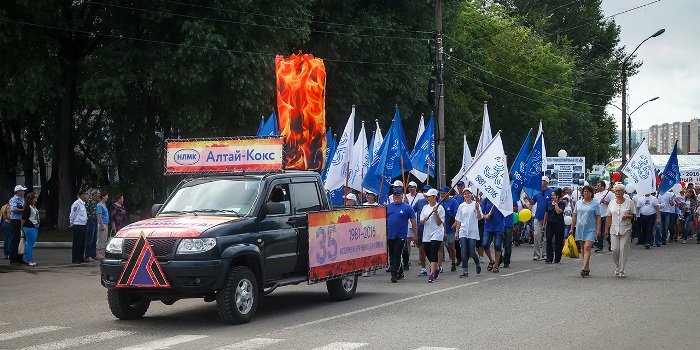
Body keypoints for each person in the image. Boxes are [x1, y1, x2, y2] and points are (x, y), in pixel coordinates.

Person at [605, 183, 636, 277]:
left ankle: (622, 270)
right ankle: (617, 266)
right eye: (616, 191)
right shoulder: (611, 202)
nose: (617, 192)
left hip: (626, 228)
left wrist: (628, 216)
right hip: (614, 229)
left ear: (623, 192)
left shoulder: (629, 202)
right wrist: (606, 229)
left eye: (619, 191)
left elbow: (634, 216)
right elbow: (608, 216)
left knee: (623, 249)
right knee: (614, 249)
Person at [386, 188, 417, 283]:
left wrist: (415, 235)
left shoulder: (407, 207)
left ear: (402, 196)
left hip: (401, 235)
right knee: (391, 254)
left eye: (398, 195)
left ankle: (394, 274)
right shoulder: (388, 207)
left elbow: (413, 221)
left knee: (397, 254)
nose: (397, 197)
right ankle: (400, 272)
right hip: (390, 235)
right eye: (395, 195)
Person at [571, 185, 601, 277]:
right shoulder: (578, 203)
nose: (586, 193)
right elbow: (574, 215)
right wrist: (572, 228)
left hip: (591, 228)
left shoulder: (595, 204)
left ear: (592, 193)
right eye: (584, 191)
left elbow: (598, 217)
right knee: (583, 248)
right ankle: (587, 267)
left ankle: (583, 268)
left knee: (588, 247)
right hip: (580, 228)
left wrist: (598, 229)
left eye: (588, 191)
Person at [419, 188, 445, 283]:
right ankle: (436, 267)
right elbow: (421, 221)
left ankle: (432, 274)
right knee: (427, 252)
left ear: (435, 197)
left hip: (437, 233)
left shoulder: (440, 208)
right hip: (427, 233)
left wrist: (436, 213)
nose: (427, 198)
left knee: (434, 251)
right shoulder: (425, 207)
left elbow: (439, 223)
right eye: (427, 196)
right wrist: (424, 220)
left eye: (429, 196)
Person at [454, 188, 481, 277]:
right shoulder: (461, 206)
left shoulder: (475, 204)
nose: (467, 195)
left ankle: (477, 262)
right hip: (463, 230)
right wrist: (457, 232)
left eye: (468, 193)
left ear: (471, 194)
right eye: (465, 194)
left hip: (472, 230)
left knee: (471, 251)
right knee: (463, 250)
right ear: (463, 196)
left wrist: (477, 209)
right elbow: (458, 219)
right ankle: (465, 271)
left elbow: (480, 217)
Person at [526, 176, 552, 261]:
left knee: (545, 237)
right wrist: (528, 197)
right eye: (541, 181)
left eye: (543, 181)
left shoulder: (551, 192)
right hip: (537, 216)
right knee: (536, 235)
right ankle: (536, 254)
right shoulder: (537, 192)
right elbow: (532, 202)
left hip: (548, 218)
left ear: (546, 182)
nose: (541, 182)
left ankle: (545, 253)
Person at [481, 197, 505, 273]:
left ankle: (496, 265)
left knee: (497, 245)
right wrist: (486, 216)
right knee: (485, 244)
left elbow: (506, 211)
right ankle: (491, 260)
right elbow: (481, 213)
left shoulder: (501, 199)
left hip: (499, 226)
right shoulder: (486, 200)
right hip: (488, 226)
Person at [439, 186, 458, 271]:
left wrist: (455, 223)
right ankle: (439, 266)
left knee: (451, 247)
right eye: (441, 193)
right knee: (440, 247)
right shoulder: (439, 202)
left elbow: (457, 214)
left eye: (444, 193)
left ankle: (453, 262)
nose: (442, 195)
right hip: (441, 229)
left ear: (448, 193)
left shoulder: (453, 202)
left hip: (450, 228)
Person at [413, 185, 431, 276]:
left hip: (431, 229)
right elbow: (412, 211)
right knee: (421, 249)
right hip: (420, 229)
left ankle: (433, 265)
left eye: (427, 191)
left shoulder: (436, 203)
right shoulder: (419, 202)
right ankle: (423, 268)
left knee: (430, 249)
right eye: (424, 191)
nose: (426, 193)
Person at [544, 188, 565, 264]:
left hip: (559, 224)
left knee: (558, 241)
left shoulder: (562, 203)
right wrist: (544, 223)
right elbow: (546, 214)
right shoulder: (549, 203)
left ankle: (557, 258)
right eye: (551, 195)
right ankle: (549, 258)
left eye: (553, 195)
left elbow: (559, 212)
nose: (551, 197)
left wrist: (556, 203)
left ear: (557, 196)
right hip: (550, 224)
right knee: (549, 240)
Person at [9, 185, 27, 265]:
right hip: (15, 221)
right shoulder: (13, 199)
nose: (23, 192)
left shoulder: (22, 199)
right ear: (17, 192)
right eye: (22, 190)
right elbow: (13, 209)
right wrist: (24, 210)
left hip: (21, 221)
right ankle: (13, 259)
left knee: (21, 240)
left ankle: (20, 258)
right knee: (15, 240)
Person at [69, 189, 89, 264]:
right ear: (81, 195)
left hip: (83, 224)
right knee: (77, 242)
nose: (87, 195)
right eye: (85, 194)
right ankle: (75, 258)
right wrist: (72, 223)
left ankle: (81, 257)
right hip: (77, 225)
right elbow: (73, 214)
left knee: (82, 242)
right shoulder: (77, 203)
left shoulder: (83, 203)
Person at [20, 192, 39, 266]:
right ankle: (29, 260)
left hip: (34, 227)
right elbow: (24, 218)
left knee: (30, 244)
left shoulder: (33, 206)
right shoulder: (28, 207)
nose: (36, 198)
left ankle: (29, 259)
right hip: (29, 227)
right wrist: (21, 227)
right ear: (32, 199)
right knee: (29, 244)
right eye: (35, 197)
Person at [593, 181, 613, 252]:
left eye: (598, 185)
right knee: (599, 231)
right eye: (597, 185)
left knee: (606, 231)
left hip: (606, 215)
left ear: (603, 186)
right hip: (598, 216)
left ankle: (611, 243)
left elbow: (613, 203)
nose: (597, 187)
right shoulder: (596, 195)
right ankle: (600, 246)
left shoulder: (609, 193)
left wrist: (606, 202)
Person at [84, 189, 100, 262]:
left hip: (95, 220)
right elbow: (86, 210)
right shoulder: (89, 201)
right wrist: (90, 217)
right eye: (98, 194)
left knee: (94, 238)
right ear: (94, 194)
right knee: (89, 238)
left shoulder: (95, 202)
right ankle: (87, 255)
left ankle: (93, 254)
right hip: (90, 220)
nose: (99, 195)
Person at [96, 192, 110, 259]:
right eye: (106, 196)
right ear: (103, 197)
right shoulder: (99, 205)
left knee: (104, 238)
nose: (107, 197)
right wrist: (101, 224)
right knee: (101, 238)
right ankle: (98, 253)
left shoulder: (104, 204)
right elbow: (99, 215)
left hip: (106, 223)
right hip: (102, 223)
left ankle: (102, 253)